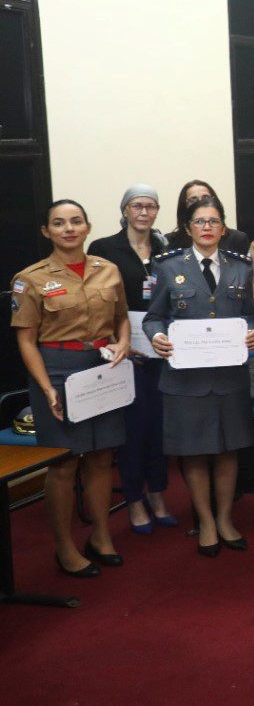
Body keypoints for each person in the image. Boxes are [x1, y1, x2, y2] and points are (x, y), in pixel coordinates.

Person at [11, 200, 132, 577]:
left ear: (87, 226)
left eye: (76, 221)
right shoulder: (29, 279)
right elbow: (26, 341)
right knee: (64, 463)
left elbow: (122, 318)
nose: (69, 228)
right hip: (57, 371)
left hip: (102, 366)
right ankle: (64, 548)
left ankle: (100, 535)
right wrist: (46, 389)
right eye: (59, 223)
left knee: (100, 456)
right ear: (47, 231)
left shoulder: (108, 270)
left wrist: (124, 342)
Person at [143, 197, 254, 557]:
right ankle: (206, 521)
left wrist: (253, 332)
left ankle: (225, 518)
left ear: (223, 229)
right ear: (189, 229)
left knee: (227, 451)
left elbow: (251, 316)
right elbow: (153, 317)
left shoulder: (242, 267)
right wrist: (157, 337)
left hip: (228, 377)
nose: (206, 227)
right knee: (193, 453)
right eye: (199, 221)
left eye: (213, 221)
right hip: (185, 380)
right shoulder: (167, 267)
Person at [87, 184, 175, 534]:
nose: (144, 212)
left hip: (162, 349)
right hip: (124, 353)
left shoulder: (166, 248)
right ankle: (135, 500)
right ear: (125, 210)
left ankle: (158, 495)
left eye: (151, 206)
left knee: (160, 427)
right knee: (133, 429)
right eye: (137, 206)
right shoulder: (104, 249)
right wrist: (116, 341)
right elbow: (97, 301)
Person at [164, 179, 251, 255]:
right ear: (184, 206)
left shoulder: (237, 239)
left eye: (206, 198)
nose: (200, 203)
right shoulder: (170, 241)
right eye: (193, 200)